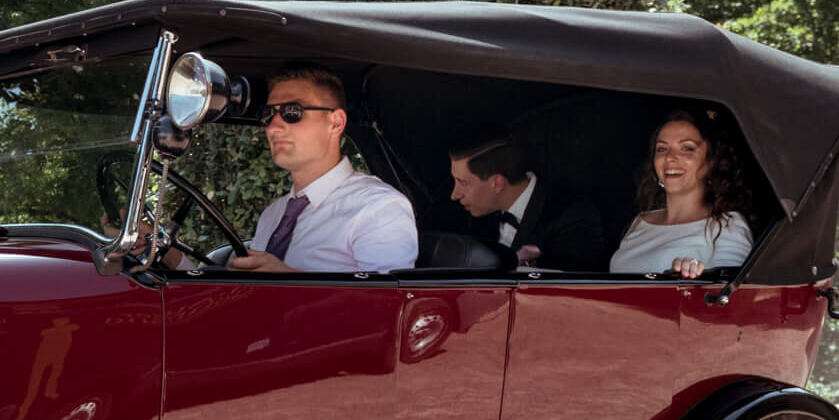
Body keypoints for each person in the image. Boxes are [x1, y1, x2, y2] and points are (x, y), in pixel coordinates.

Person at [226, 64, 417, 274]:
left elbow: (386, 303)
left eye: (292, 112)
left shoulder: (378, 207)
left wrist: (289, 281)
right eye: (268, 114)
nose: (273, 127)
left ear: (336, 123)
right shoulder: (272, 216)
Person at [606, 104, 755, 276]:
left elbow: (732, 296)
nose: (670, 157)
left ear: (711, 161)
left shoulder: (727, 225)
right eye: (662, 149)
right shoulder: (640, 221)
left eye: (687, 149)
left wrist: (692, 279)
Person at [447, 135, 604, 273]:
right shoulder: (469, 217)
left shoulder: (573, 216)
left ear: (497, 183)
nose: (454, 195)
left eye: (463, 183)